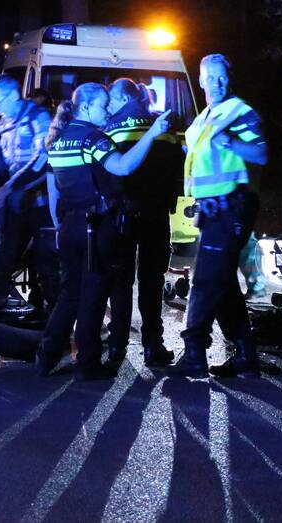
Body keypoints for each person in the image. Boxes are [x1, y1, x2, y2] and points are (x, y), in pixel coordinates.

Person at [36, 83, 171, 381]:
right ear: (86, 106)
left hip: (68, 226)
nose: (107, 110)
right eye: (102, 104)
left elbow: (52, 189)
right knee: (94, 295)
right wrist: (151, 134)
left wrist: (60, 226)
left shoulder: (58, 140)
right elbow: (122, 167)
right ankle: (88, 363)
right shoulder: (92, 139)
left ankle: (45, 357)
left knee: (69, 294)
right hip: (94, 227)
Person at [168, 53, 267, 378]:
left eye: (222, 76)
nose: (217, 83)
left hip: (231, 207)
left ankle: (194, 353)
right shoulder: (203, 118)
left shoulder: (238, 112)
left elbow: (260, 153)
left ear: (229, 77)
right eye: (210, 77)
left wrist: (231, 142)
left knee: (205, 281)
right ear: (200, 80)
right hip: (212, 210)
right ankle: (245, 356)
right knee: (222, 283)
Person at [103, 78, 183, 367]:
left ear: (124, 99)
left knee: (120, 281)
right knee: (152, 280)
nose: (108, 106)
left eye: (112, 100)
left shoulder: (111, 127)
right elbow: (178, 167)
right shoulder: (165, 126)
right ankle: (152, 346)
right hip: (156, 213)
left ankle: (117, 346)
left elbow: (107, 171)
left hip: (122, 214)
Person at [0, 74, 58, 313]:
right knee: (0, 259)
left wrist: (9, 187)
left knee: (47, 266)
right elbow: (6, 160)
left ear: (13, 95)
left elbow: (43, 159)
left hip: (41, 206)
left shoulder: (39, 117)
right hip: (15, 206)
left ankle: (56, 320)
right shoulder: (4, 122)